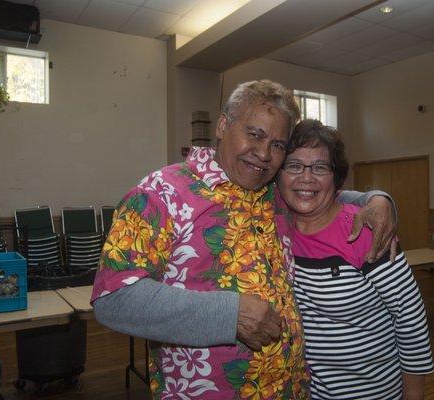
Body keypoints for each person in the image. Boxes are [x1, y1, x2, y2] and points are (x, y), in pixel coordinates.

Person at [91, 80, 398, 399]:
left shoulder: (271, 194)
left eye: (278, 145)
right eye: (255, 134)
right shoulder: (161, 194)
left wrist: (376, 200)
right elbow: (113, 298)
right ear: (223, 125)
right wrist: (229, 315)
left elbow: (320, 195)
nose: (264, 154)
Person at [277, 119, 434, 400]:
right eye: (294, 165)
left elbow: (410, 319)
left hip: (374, 393)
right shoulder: (276, 228)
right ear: (279, 174)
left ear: (336, 178)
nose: (306, 177)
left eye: (320, 167)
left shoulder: (363, 230)